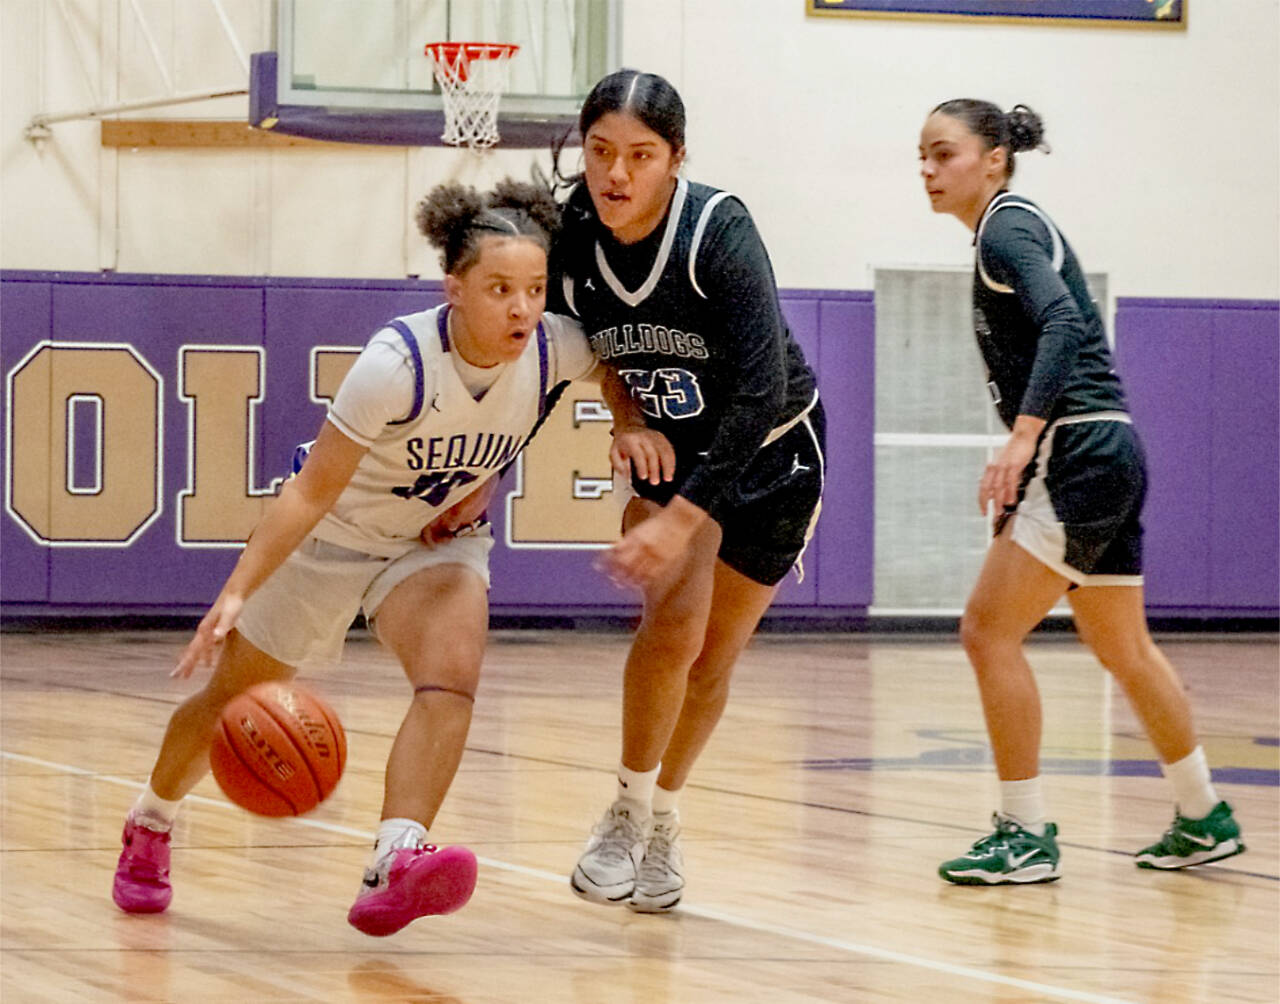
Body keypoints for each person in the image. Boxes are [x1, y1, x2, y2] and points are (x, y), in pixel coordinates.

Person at [111, 180, 598, 934]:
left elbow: (617, 373)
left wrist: (628, 428)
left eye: (533, 289)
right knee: (227, 709)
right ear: (455, 289)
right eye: (499, 288)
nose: (521, 308)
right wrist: (236, 592)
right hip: (333, 534)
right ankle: (152, 819)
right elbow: (308, 495)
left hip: (432, 543)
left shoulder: (554, 347)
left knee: (452, 682)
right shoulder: (395, 365)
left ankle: (395, 858)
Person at [918, 99, 1245, 885]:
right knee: (1122, 645)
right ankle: (1202, 815)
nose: (927, 170)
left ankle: (1024, 833)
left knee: (986, 632)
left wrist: (1025, 438)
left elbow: (1064, 321)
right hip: (1112, 445)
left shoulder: (1006, 226)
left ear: (993, 159)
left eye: (943, 153)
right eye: (921, 156)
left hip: (1081, 446)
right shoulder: (1012, 228)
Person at [549, 69, 826, 913]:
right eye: (600, 152)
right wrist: (626, 412)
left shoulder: (717, 229)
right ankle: (627, 810)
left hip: (773, 453)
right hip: (674, 457)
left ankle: (666, 816)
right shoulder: (571, 236)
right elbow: (581, 344)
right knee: (672, 626)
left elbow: (760, 388)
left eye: (640, 155)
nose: (617, 175)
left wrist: (689, 520)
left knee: (714, 656)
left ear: (676, 160)